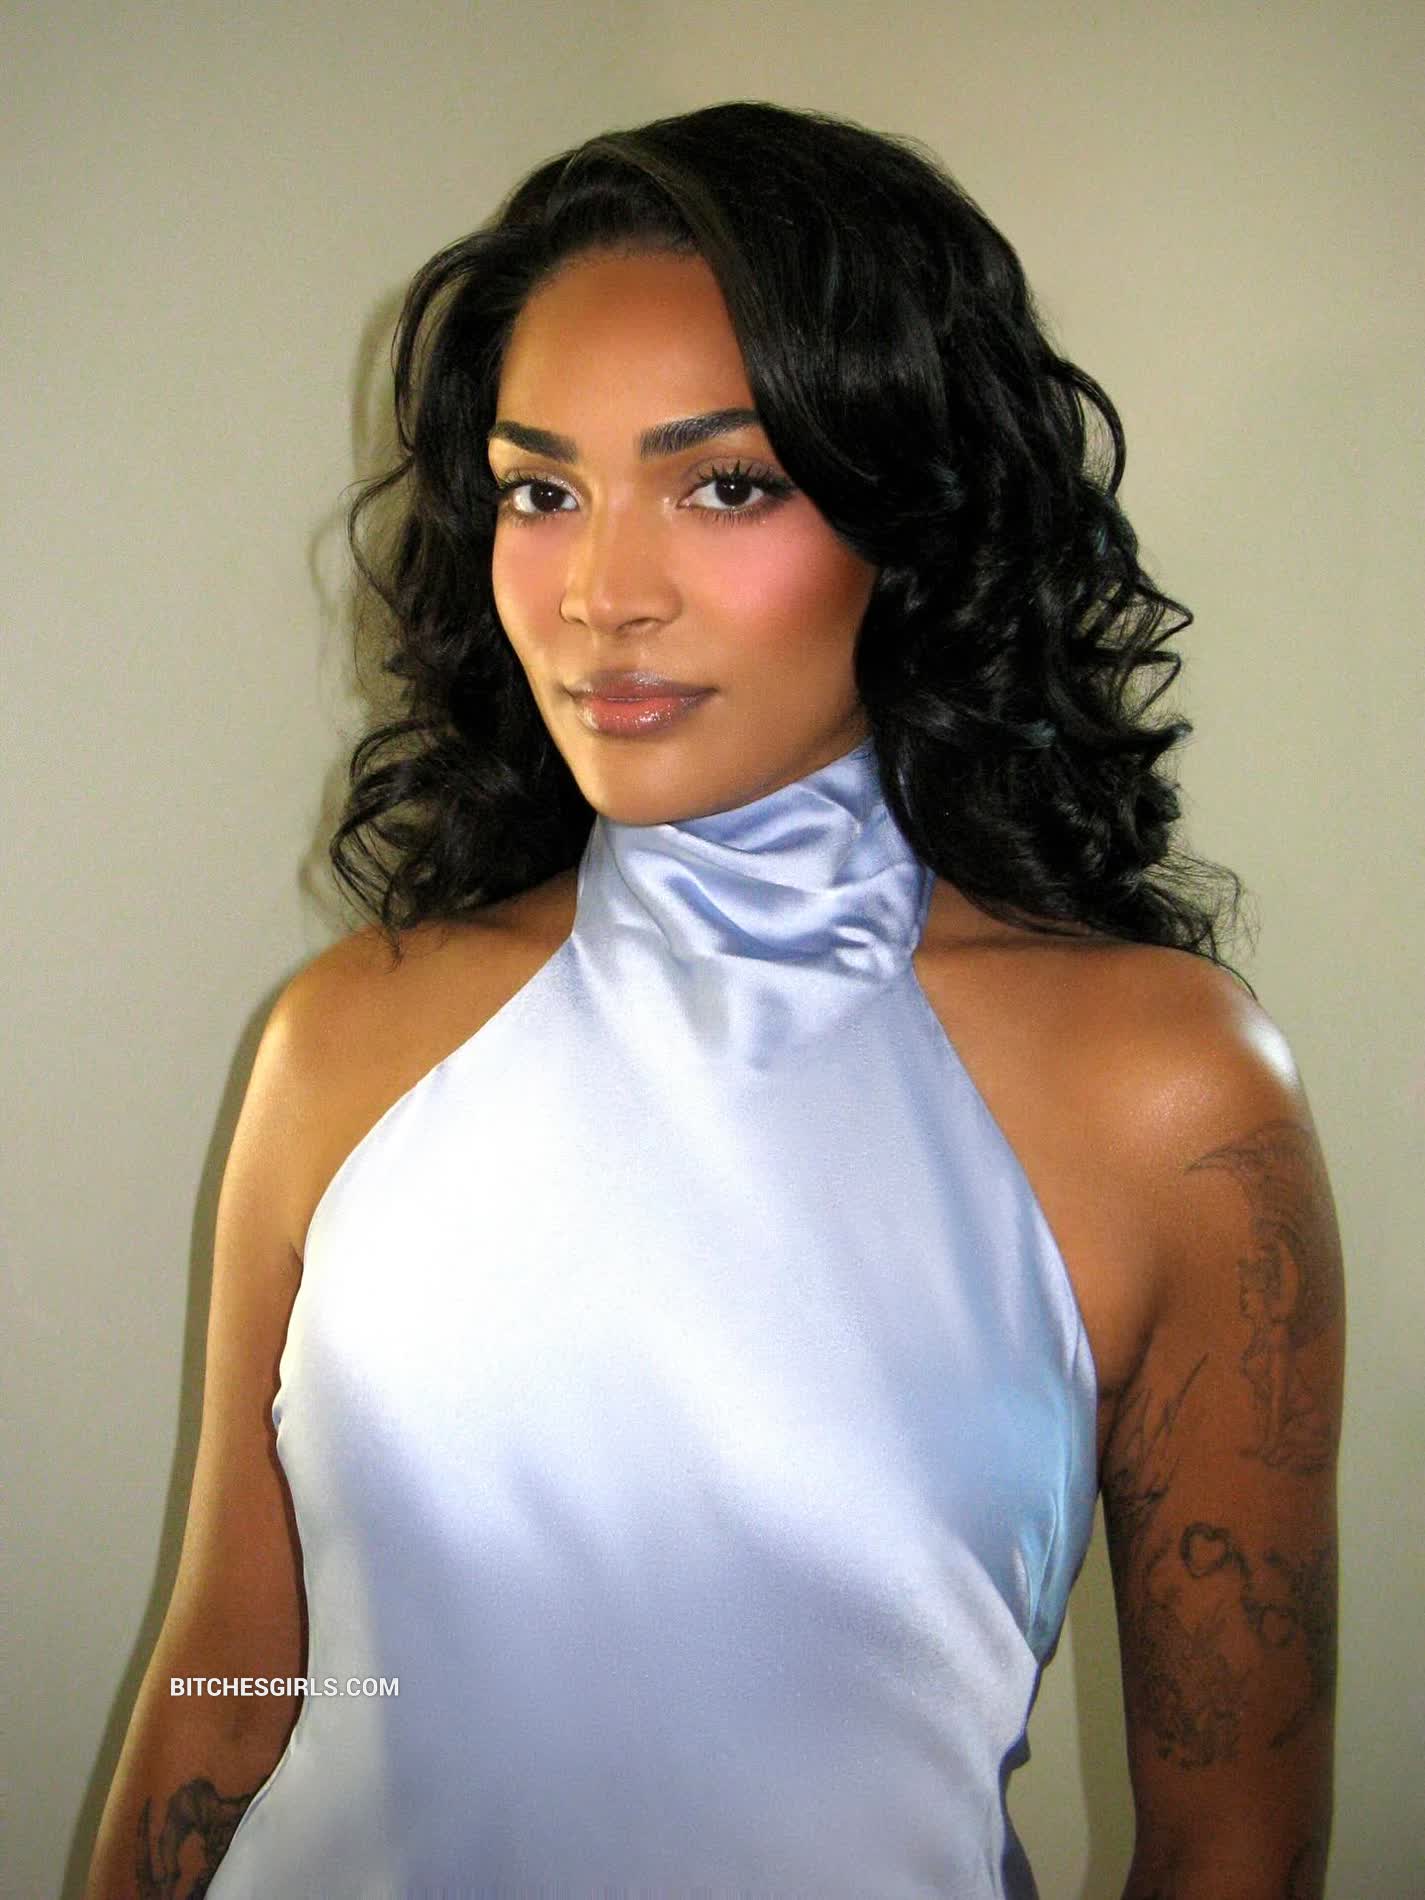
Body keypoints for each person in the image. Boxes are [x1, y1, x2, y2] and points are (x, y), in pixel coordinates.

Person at [84, 101, 1343, 1899]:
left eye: (725, 484)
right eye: (541, 491)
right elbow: (233, 1681)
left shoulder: (1165, 1091)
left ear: (910, 515)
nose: (602, 594)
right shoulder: (343, 1040)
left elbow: (1233, 1845)